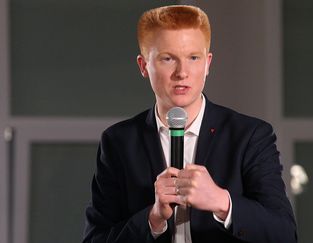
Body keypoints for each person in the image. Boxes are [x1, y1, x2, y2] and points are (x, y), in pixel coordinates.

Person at [83, 5, 297, 243]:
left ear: (208, 64)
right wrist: (153, 219)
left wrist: (222, 202)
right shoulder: (119, 142)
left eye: (193, 58)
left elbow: (284, 234)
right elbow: (95, 239)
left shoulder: (250, 136)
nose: (182, 72)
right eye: (167, 59)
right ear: (144, 66)